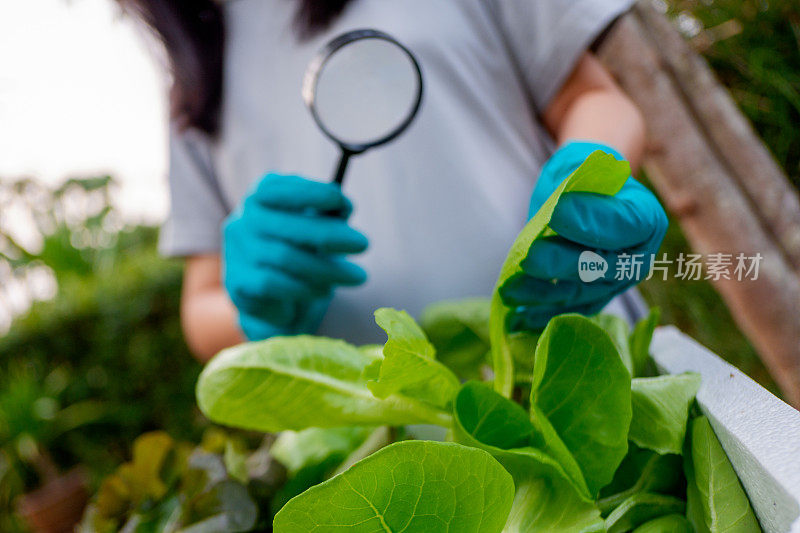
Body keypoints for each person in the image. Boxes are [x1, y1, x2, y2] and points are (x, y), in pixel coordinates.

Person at [126, 0, 667, 360]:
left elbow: (590, 96)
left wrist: (592, 170)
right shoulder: (193, 81)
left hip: (576, 363)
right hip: (380, 459)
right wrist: (255, 311)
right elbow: (201, 308)